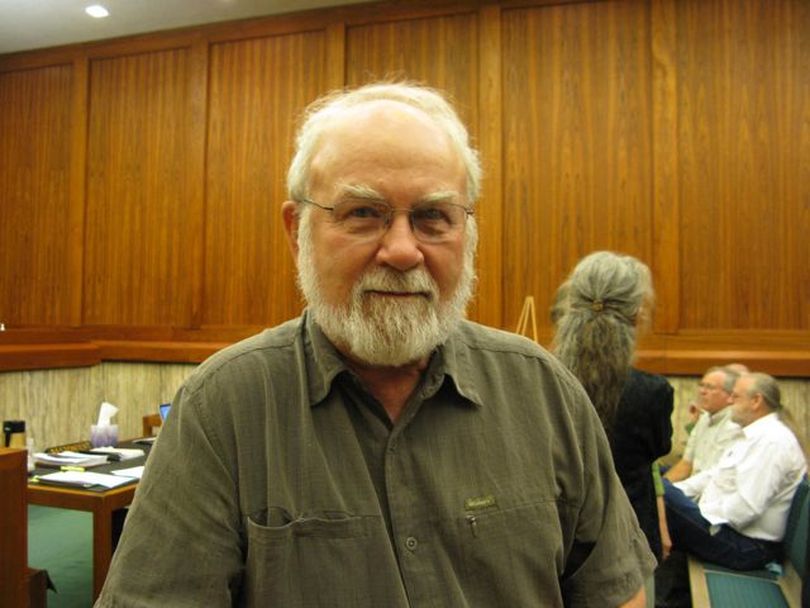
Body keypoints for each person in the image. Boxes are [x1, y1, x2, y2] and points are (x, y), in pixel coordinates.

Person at [94, 83, 654, 607]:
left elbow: (614, 590)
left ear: (468, 232)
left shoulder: (545, 392)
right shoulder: (224, 410)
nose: (404, 250)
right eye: (364, 213)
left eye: (434, 216)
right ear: (297, 232)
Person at [552, 251, 674, 608]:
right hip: (628, 543)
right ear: (638, 315)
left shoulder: (538, 381)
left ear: (570, 305)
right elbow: (655, 456)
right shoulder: (652, 393)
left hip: (554, 544)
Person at [663, 372, 807, 572]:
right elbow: (712, 476)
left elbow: (747, 507)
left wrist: (697, 516)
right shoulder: (751, 436)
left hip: (747, 547)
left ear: (756, 401)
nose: (729, 401)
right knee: (659, 493)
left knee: (657, 495)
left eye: (735, 396)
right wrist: (676, 492)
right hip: (729, 532)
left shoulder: (772, 442)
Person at [664, 366, 744, 482]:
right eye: (701, 385)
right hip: (689, 486)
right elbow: (685, 465)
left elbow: (713, 476)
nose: (702, 391)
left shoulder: (734, 425)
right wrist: (661, 489)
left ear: (729, 395)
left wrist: (669, 491)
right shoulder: (704, 418)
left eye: (710, 387)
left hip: (708, 492)